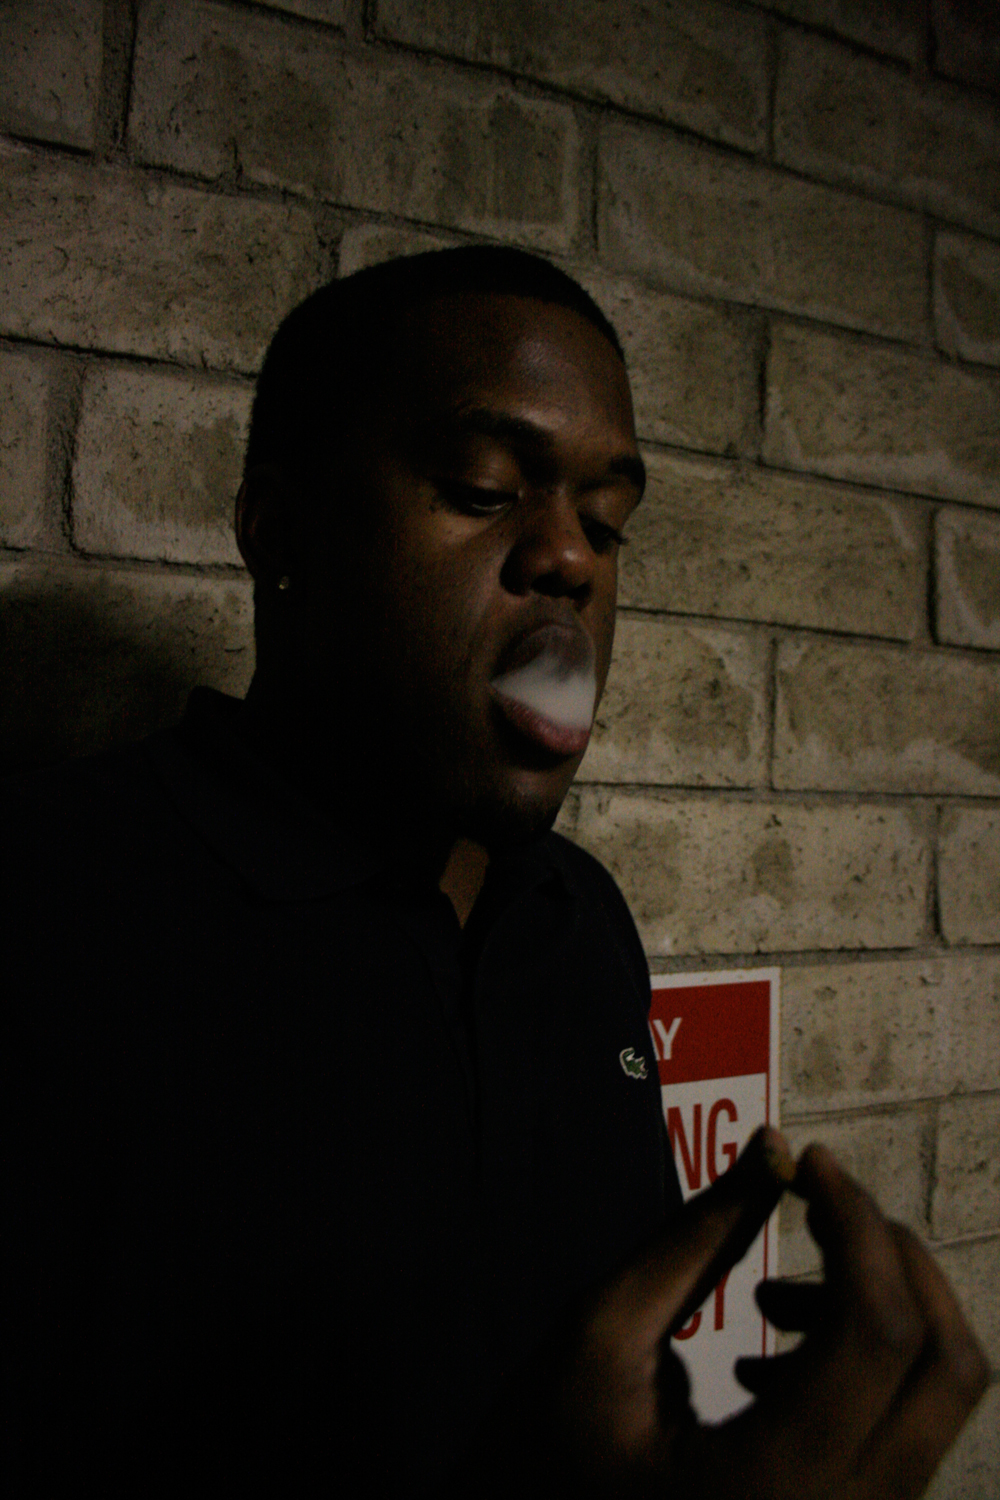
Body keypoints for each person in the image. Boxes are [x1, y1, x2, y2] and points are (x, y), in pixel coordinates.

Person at [3, 247, 987, 1496]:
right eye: (482, 489)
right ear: (276, 528)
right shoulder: (46, 905)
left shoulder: (579, 923)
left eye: (608, 521)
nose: (570, 558)